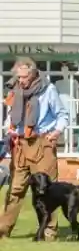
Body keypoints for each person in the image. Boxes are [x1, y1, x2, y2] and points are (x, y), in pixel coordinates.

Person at [0, 58, 66, 240]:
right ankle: (3, 231)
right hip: (20, 144)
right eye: (18, 76)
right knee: (15, 189)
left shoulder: (48, 89)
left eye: (24, 77)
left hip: (42, 143)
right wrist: (9, 129)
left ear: (33, 73)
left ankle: (49, 233)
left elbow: (62, 115)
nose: (20, 80)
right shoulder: (15, 91)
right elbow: (10, 117)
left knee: (47, 190)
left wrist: (57, 131)